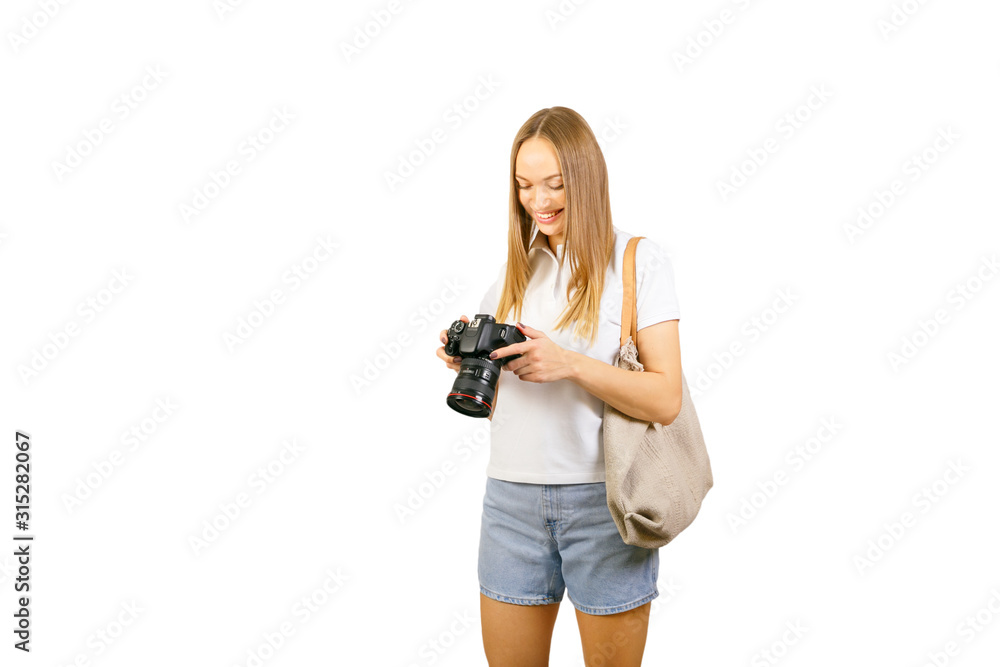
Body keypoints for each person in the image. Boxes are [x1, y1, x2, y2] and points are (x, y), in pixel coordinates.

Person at [436, 106, 683, 667]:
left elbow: (666, 399)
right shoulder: (513, 273)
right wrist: (471, 365)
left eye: (555, 184)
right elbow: (509, 399)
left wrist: (568, 363)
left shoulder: (639, 261)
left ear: (587, 177)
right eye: (524, 185)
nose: (538, 201)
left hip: (605, 505)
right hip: (510, 504)